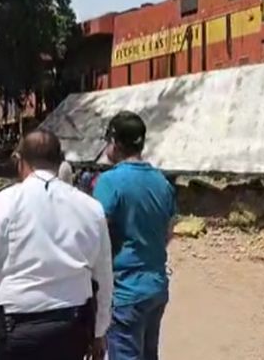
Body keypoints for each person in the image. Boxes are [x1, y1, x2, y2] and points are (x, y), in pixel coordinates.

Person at [0, 129, 113, 360]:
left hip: (15, 335)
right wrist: (99, 333)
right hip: (71, 331)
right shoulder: (91, 208)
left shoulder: (3, 203)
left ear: (20, 162)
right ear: (60, 161)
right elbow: (104, 277)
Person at [93, 111, 176, 360]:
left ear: (115, 142)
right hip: (156, 288)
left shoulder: (109, 181)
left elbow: (96, 235)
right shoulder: (162, 182)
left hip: (125, 292)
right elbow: (168, 232)